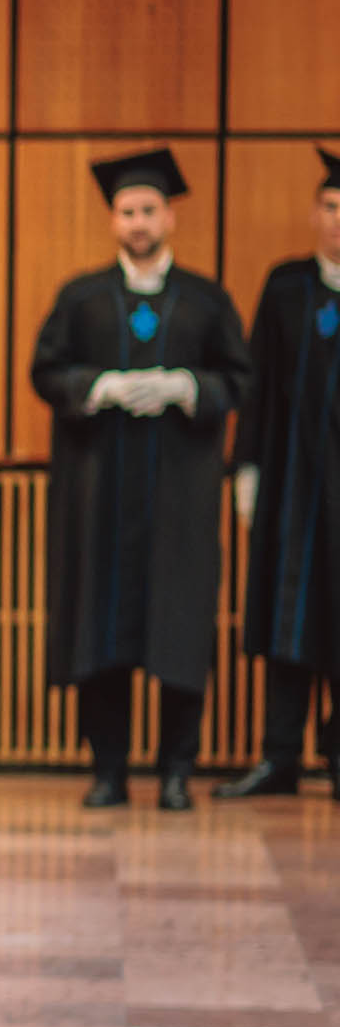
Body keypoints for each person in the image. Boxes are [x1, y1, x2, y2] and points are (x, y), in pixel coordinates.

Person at [30, 149, 250, 810]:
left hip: (179, 498)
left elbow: (239, 380)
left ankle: (177, 772)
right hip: (99, 495)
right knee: (103, 627)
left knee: (180, 625)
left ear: (169, 216)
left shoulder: (206, 300)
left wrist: (187, 386)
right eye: (127, 212)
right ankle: (109, 772)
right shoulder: (82, 297)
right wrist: (98, 386)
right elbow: (46, 371)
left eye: (149, 210)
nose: (138, 223)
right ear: (114, 220)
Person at [219, 148, 340, 796]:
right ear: (315, 213)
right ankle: (280, 756)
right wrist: (248, 470)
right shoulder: (286, 286)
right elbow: (257, 382)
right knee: (287, 612)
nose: (339, 220)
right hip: (293, 485)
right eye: (331, 206)